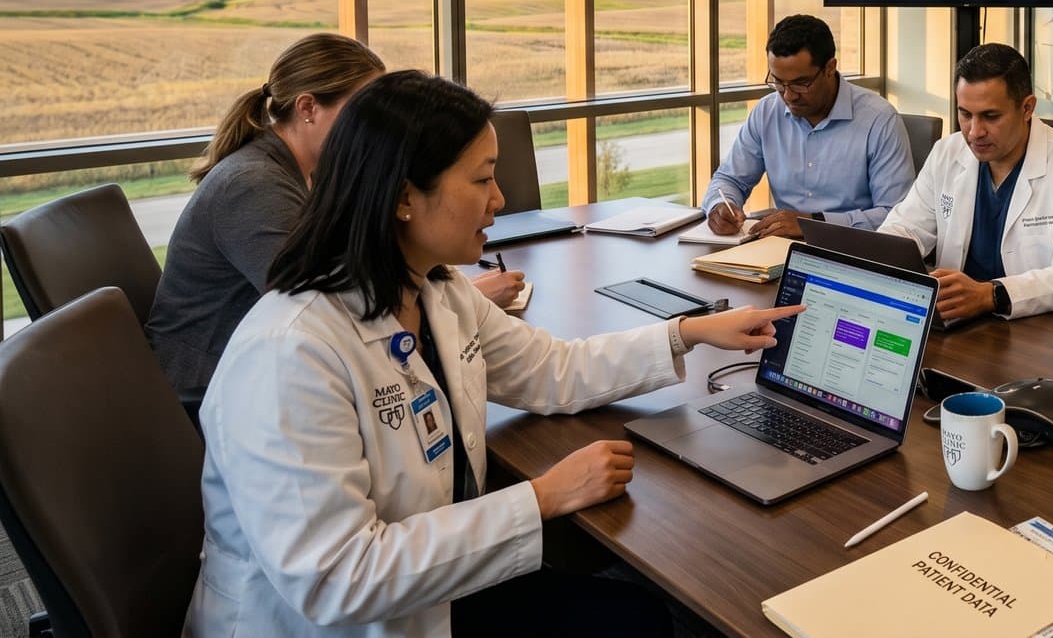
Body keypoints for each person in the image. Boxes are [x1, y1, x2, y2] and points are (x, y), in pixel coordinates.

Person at [187, 71, 802, 636]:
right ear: (404, 197)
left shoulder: (435, 290)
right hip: (338, 622)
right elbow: (336, 579)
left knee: (634, 616)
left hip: (428, 592)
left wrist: (687, 333)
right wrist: (544, 496)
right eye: (481, 179)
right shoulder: (289, 352)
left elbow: (552, 370)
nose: (500, 199)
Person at [147, 35, 525, 414]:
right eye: (362, 114)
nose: (376, 131)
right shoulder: (252, 185)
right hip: (207, 395)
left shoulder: (306, 172)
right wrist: (456, 302)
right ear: (308, 108)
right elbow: (332, 301)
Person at [881, 44, 1053, 322]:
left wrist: (991, 295)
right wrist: (878, 255)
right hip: (956, 323)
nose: (974, 132)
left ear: (1027, 108)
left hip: (1036, 328)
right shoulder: (947, 152)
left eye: (991, 116)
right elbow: (906, 228)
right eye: (965, 114)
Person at [702, 15, 914, 239]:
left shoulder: (880, 120)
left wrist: (814, 223)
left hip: (851, 253)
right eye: (778, 82)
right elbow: (730, 179)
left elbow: (896, 216)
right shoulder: (767, 112)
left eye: (801, 84)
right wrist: (720, 204)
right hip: (778, 249)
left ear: (830, 68)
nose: (788, 95)